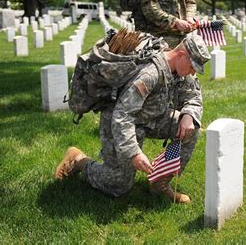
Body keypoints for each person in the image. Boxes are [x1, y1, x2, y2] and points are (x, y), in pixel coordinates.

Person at [55, 33, 211, 204]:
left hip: (152, 118)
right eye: (193, 66)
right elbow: (122, 115)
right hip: (121, 123)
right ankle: (79, 161)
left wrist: (189, 114)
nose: (193, 72)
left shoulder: (182, 70)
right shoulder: (150, 74)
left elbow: (194, 96)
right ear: (181, 55)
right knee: (119, 185)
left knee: (191, 129)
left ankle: (160, 182)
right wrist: (134, 153)